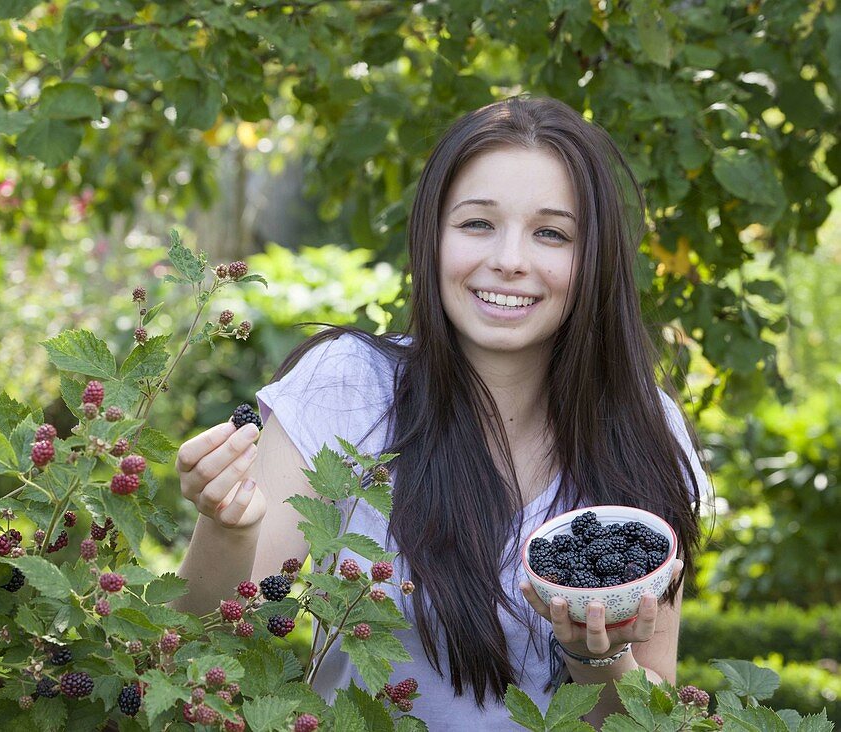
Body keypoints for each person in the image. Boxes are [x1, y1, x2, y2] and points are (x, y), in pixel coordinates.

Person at [173, 96, 708, 729]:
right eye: (477, 223)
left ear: (594, 258)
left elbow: (644, 717)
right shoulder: (348, 387)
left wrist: (597, 653)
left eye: (551, 233)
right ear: (433, 238)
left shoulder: (646, 431)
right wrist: (228, 528)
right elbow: (205, 642)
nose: (509, 259)